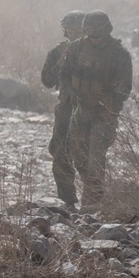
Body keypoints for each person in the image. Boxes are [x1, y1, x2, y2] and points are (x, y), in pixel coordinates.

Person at [58, 10, 133, 209]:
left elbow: (125, 88)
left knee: (96, 156)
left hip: (103, 113)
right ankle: (93, 193)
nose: (92, 39)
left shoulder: (120, 54)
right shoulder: (76, 48)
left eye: (96, 35)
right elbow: (64, 75)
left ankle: (93, 202)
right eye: (89, 34)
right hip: (81, 110)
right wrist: (71, 94)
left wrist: (109, 101)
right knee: (78, 156)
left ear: (106, 31)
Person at [40, 11, 86, 207]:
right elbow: (47, 81)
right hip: (66, 109)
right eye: (70, 29)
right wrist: (59, 64)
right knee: (60, 152)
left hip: (91, 111)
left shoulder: (98, 52)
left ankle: (94, 199)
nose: (73, 33)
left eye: (78, 30)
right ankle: (67, 199)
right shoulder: (58, 52)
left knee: (87, 154)